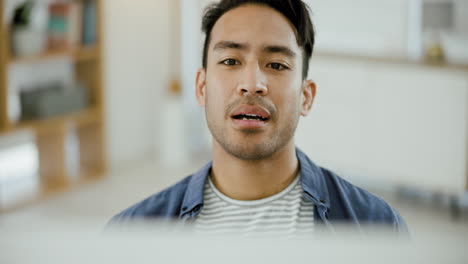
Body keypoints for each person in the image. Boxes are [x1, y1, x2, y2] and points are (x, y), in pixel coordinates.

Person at [110, 0, 407, 235]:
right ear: (201, 88)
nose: (252, 84)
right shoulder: (132, 232)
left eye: (276, 65)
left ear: (306, 96)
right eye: (230, 61)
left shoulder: (377, 227)